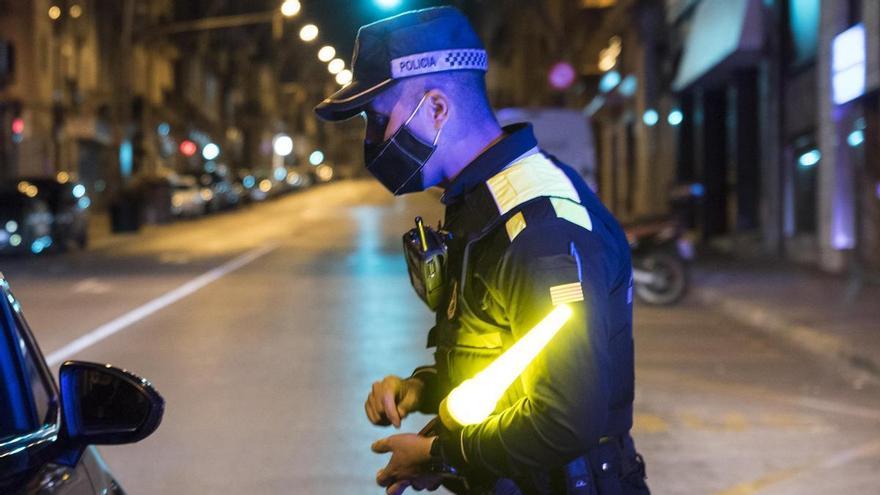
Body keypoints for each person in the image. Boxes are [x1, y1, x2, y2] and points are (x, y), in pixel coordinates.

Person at [315, 6, 649, 495]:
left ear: (435, 109)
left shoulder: (538, 226)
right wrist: (423, 389)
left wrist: (440, 453)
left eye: (377, 118)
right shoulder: (481, 204)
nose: (370, 140)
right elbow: (510, 356)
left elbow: (565, 416)